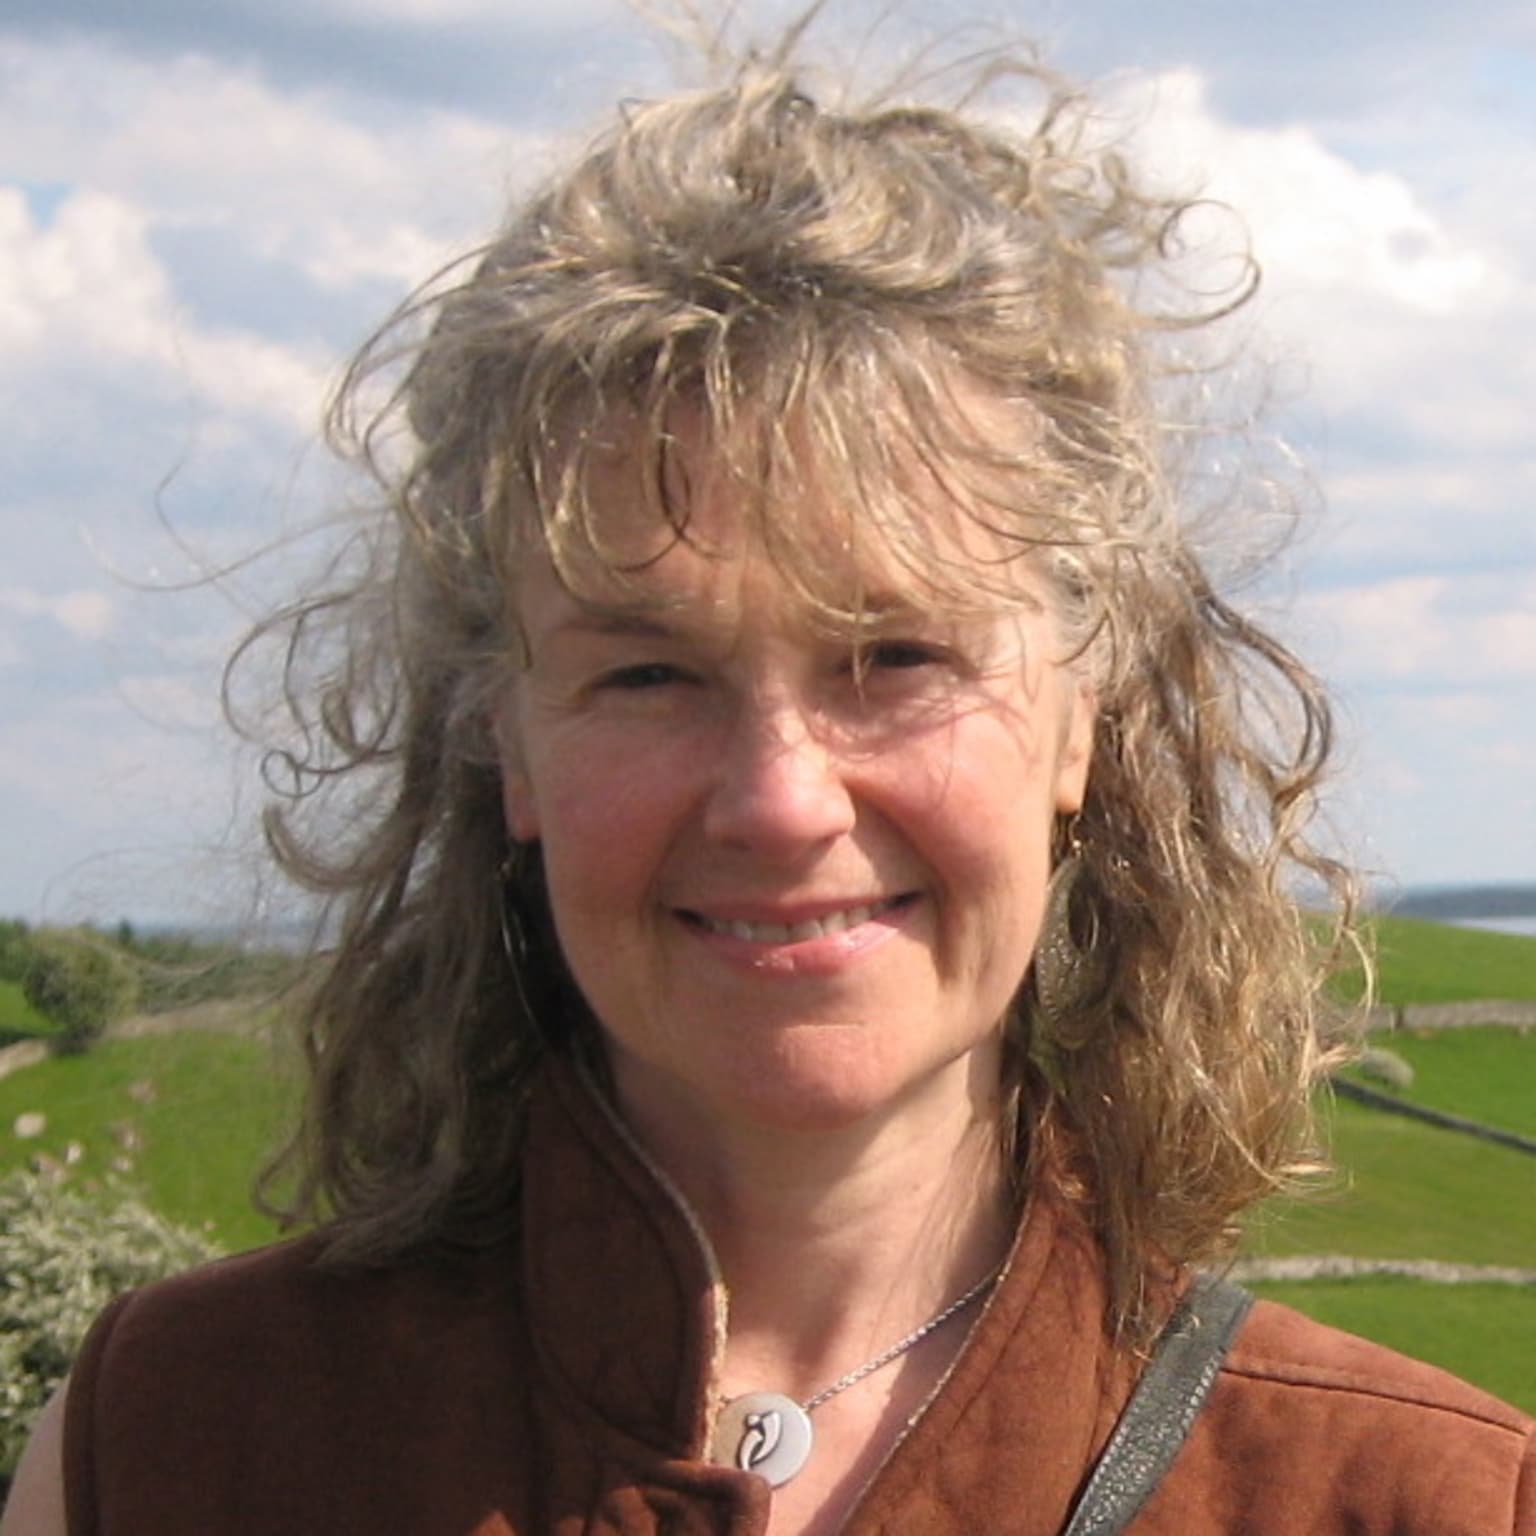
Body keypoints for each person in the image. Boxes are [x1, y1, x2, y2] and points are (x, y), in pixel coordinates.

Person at [3, 11, 1532, 1536]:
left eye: (897, 658)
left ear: (1083, 721)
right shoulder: (174, 1442)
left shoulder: (1428, 1504)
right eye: (647, 674)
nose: (781, 800)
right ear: (507, 744)